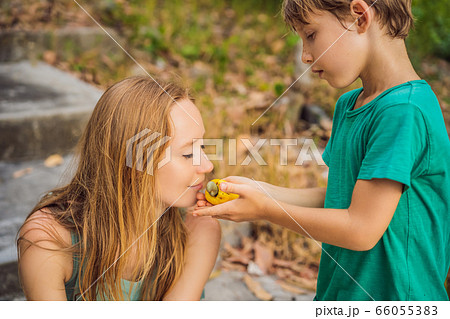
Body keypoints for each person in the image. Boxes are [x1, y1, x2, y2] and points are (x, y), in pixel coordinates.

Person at [194, 0, 450, 300]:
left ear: (360, 17)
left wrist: (266, 209)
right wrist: (259, 191)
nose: (304, 55)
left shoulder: (403, 111)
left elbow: (361, 229)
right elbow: (338, 199)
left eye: (311, 35)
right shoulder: (349, 105)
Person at [17, 76, 220, 301]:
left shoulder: (197, 228)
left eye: (202, 146)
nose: (207, 165)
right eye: (188, 153)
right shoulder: (48, 241)